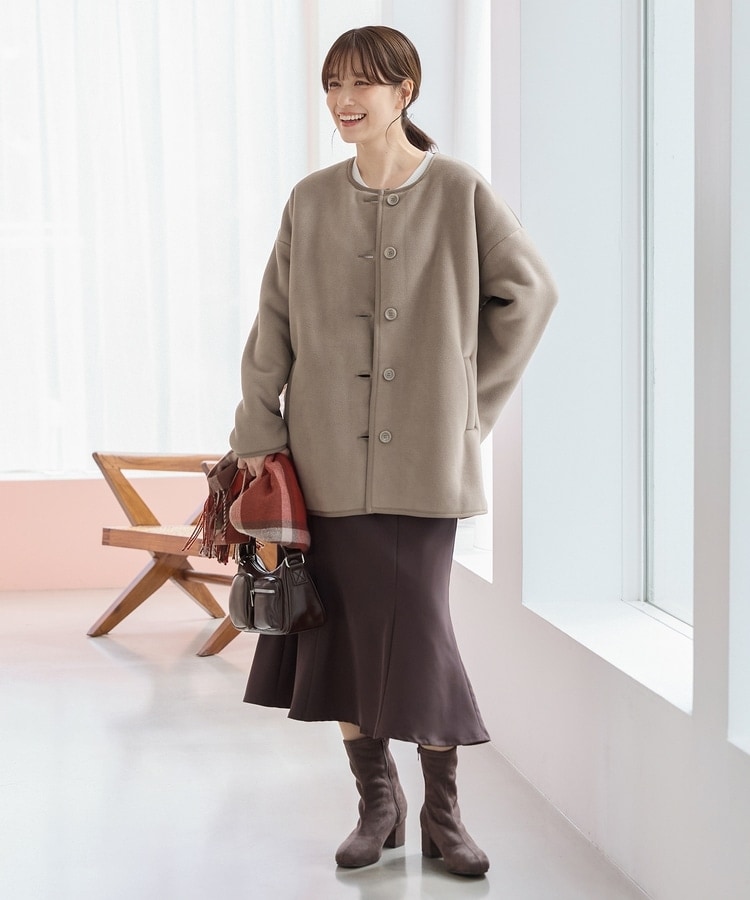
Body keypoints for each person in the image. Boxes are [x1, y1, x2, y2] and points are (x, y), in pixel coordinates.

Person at [230, 25, 557, 877]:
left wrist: (468, 408)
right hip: (325, 462)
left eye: (362, 84)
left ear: (404, 90)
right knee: (338, 636)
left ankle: (445, 812)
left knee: (420, 634)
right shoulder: (310, 200)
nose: (344, 101)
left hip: (422, 468)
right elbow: (272, 326)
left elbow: (529, 294)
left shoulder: (458, 190)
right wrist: (257, 433)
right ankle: (379, 803)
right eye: (332, 84)